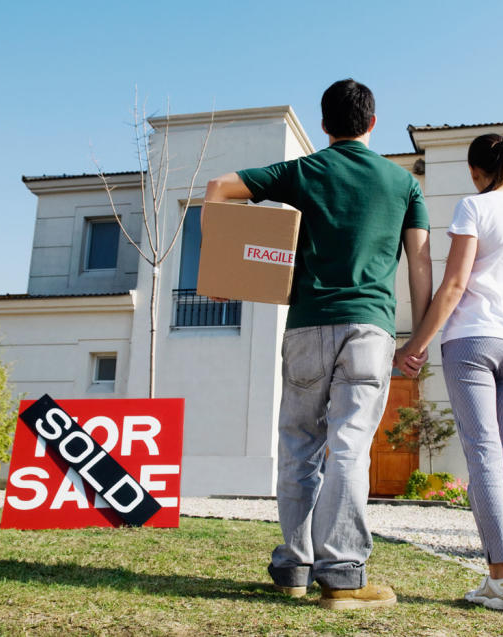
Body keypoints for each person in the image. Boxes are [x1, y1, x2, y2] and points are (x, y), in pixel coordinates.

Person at [204, 79, 432, 609]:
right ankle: (345, 574)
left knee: (299, 447)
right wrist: (418, 340)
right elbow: (420, 267)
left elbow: (218, 187)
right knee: (349, 447)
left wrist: (220, 263)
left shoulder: (303, 171)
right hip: (369, 331)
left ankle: (294, 565)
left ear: (325, 125)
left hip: (307, 326)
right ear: (372, 123)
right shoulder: (403, 185)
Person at [394, 133, 503, 615]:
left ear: (476, 171)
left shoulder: (474, 207)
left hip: (472, 341)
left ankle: (498, 581)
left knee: (485, 458)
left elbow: (454, 284)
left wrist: (416, 344)